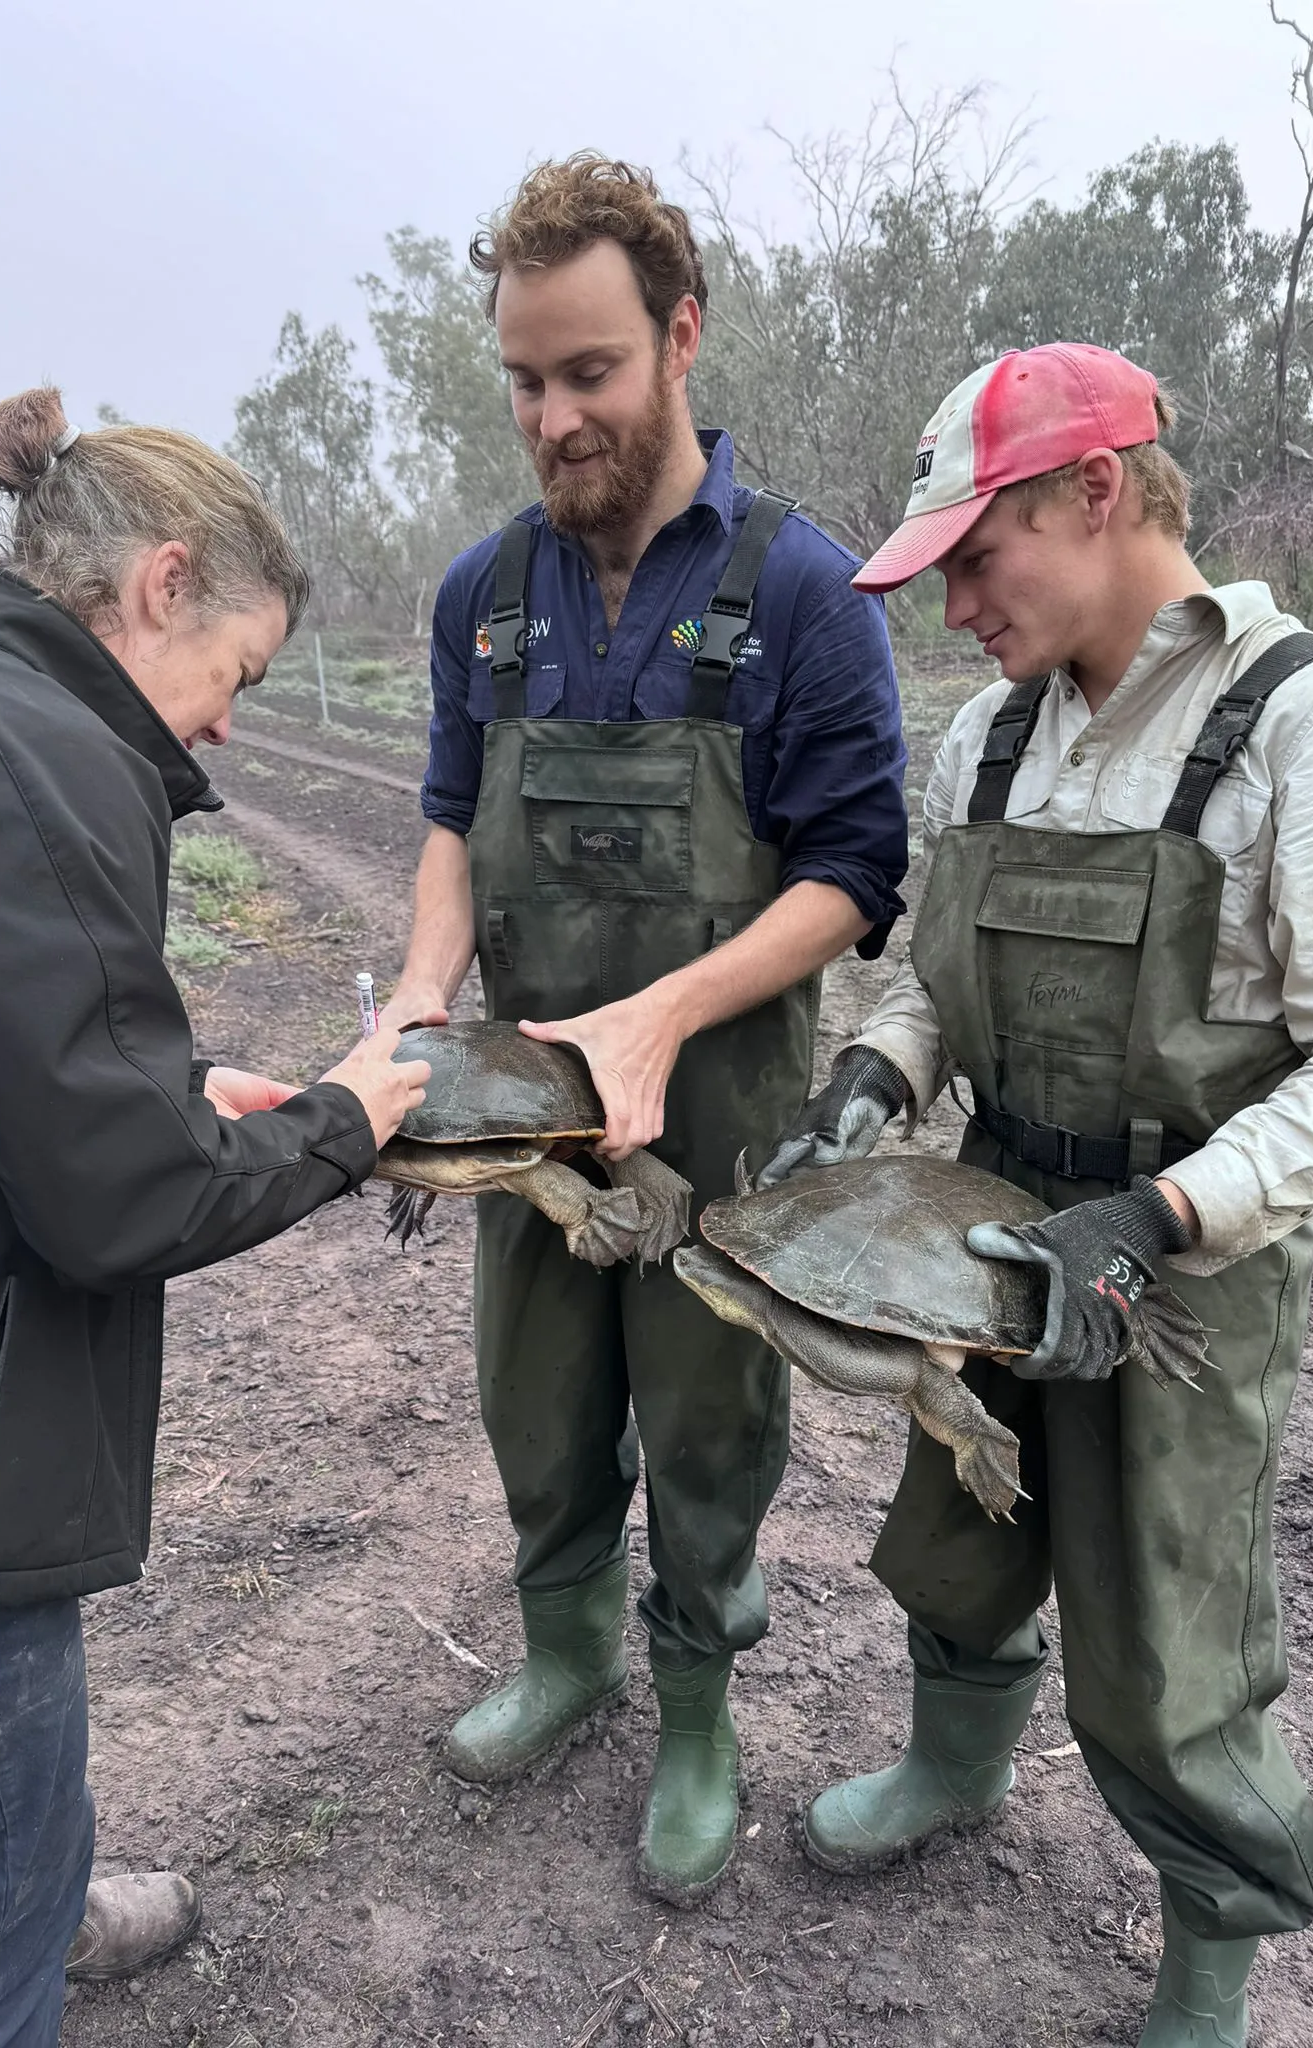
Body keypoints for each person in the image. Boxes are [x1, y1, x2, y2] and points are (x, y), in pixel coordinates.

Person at [759, 342, 1313, 2045]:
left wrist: (1162, 1218)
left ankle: (1211, 1966)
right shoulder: (986, 736)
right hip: (983, 1231)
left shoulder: (1306, 720)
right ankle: (950, 1772)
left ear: (1097, 491)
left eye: (980, 554)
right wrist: (877, 1069)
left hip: (1186, 1270)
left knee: (1170, 1648)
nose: (958, 603)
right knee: (962, 1546)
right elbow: (927, 976)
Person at [0, 389, 431, 2046]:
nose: (234, 727)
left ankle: (43, 1882)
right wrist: (341, 1119)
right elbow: (116, 1200)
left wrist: (166, 1088)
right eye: (239, 675)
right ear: (163, 584)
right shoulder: (34, 757)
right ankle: (15, 1919)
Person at [379, 156, 909, 1905]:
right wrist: (413, 1003)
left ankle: (697, 1711)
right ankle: (564, 1651)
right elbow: (454, 817)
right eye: (525, 381)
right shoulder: (485, 598)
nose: (553, 418)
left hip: (719, 1114)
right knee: (533, 1403)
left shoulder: (807, 598)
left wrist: (664, 1016)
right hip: (534, 1126)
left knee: (705, 1429)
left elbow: (853, 870)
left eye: (589, 373)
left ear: (682, 340)